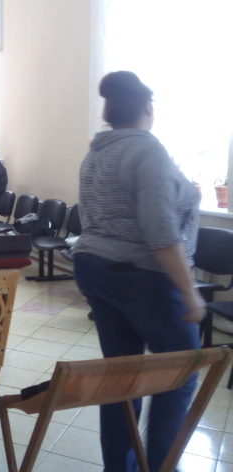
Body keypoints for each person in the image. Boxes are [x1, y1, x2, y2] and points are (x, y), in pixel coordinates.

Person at [73, 71, 205, 472]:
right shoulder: (147, 150)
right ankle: (163, 465)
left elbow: (96, 214)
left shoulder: (97, 152)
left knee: (122, 375)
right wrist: (190, 292)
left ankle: (120, 467)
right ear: (147, 107)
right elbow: (160, 233)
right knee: (180, 373)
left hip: (95, 268)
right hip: (142, 276)